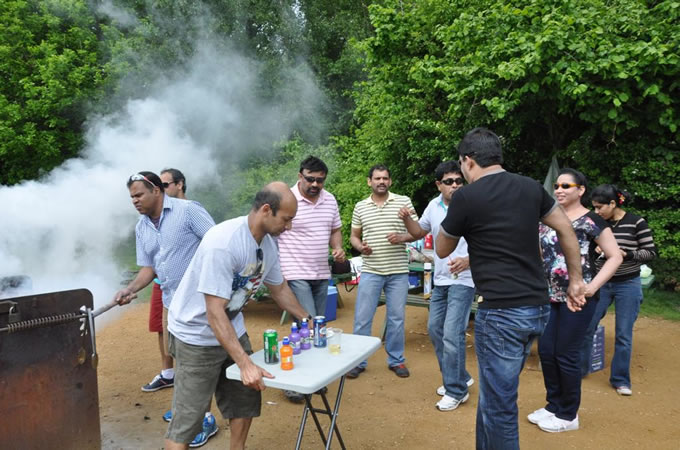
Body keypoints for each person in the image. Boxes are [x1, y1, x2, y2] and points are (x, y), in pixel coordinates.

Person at [435, 128, 586, 450]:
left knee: (500, 405)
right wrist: (575, 281)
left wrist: (459, 218)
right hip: (538, 308)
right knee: (493, 395)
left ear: (468, 160)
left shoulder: (466, 196)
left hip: (502, 313)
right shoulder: (531, 187)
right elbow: (565, 230)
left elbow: (442, 248)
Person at [165, 182, 312, 450]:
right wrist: (245, 364)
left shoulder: (268, 244)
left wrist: (305, 317)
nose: (288, 227)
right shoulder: (223, 242)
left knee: (244, 401)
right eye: (286, 219)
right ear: (267, 210)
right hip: (195, 336)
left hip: (232, 327)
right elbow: (214, 311)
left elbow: (279, 288)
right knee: (189, 420)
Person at [113, 171, 217, 447]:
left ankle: (205, 418)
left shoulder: (187, 211)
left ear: (157, 191)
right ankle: (189, 410)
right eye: (131, 197)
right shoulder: (142, 226)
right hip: (173, 304)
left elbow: (216, 244)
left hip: (202, 302)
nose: (134, 201)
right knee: (180, 359)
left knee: (199, 363)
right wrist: (131, 289)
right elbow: (149, 268)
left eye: (139, 195)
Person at [528, 169, 622, 433]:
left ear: (580, 190)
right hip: (549, 296)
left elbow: (615, 256)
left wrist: (591, 288)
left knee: (566, 354)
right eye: (557, 185)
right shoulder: (545, 219)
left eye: (566, 185)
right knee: (547, 351)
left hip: (577, 298)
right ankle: (553, 405)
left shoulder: (592, 220)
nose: (559, 189)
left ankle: (569, 414)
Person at [398, 161, 476, 411]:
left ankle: (456, 390)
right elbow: (419, 232)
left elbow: (490, 240)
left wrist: (468, 260)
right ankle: (458, 377)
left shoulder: (474, 204)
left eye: (458, 181)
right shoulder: (433, 205)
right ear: (438, 184)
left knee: (452, 333)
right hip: (440, 280)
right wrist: (407, 219)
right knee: (435, 330)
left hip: (464, 280)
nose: (454, 185)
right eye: (449, 181)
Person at [277, 156, 345, 403]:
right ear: (299, 176)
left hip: (320, 273)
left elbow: (335, 230)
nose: (315, 184)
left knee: (318, 327)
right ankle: (294, 383)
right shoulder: (287, 199)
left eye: (320, 180)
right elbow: (274, 230)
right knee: (304, 325)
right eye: (310, 179)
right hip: (294, 271)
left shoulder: (330, 199)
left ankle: (313, 377)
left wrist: (338, 248)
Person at [580, 184, 657, 395]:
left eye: (599, 207)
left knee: (624, 334)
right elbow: (584, 250)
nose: (596, 212)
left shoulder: (636, 222)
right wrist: (594, 250)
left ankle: (620, 380)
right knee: (587, 324)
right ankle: (579, 370)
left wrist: (626, 254)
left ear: (613, 203)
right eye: (594, 207)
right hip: (600, 283)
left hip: (628, 284)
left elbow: (650, 252)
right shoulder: (598, 223)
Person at [346, 164, 418, 379]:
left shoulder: (403, 202)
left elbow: (417, 233)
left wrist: (403, 233)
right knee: (362, 318)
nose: (381, 182)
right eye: (377, 178)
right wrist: (360, 247)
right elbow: (354, 236)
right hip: (371, 270)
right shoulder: (361, 207)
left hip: (398, 271)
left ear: (390, 181)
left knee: (396, 318)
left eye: (385, 178)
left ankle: (396, 360)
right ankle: (358, 361)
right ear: (369, 181)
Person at [144, 168, 189, 394]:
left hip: (186, 285)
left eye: (166, 184)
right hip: (162, 282)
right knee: (161, 327)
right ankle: (167, 373)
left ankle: (185, 379)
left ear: (179, 185)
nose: (161, 190)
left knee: (184, 331)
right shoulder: (151, 219)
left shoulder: (190, 211)